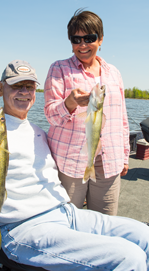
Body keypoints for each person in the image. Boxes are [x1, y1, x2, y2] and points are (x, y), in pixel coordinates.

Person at [0, 59, 149, 271]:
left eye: (29, 86)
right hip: (24, 228)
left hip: (67, 214)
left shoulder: (40, 132)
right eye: (16, 85)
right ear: (0, 88)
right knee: (129, 258)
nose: (24, 92)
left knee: (145, 237)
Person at [44, 9, 129, 215]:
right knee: (67, 220)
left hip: (110, 162)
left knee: (105, 222)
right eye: (76, 39)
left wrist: (125, 155)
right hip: (70, 162)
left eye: (89, 38)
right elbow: (50, 114)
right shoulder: (59, 69)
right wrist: (70, 103)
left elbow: (122, 120)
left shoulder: (114, 73)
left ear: (100, 40)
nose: (82, 45)